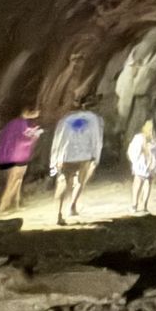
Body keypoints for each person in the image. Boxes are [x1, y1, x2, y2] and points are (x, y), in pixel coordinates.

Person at [48, 97, 104, 226]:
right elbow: (96, 139)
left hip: (66, 156)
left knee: (63, 182)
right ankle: (72, 207)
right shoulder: (94, 120)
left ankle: (59, 214)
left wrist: (55, 158)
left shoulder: (66, 119)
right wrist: (96, 156)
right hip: (84, 156)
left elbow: (58, 139)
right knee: (80, 181)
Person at [0, 105, 43, 217]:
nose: (37, 113)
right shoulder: (17, 123)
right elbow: (20, 140)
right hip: (13, 157)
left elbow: (21, 136)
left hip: (20, 156)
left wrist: (32, 133)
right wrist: (34, 136)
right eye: (34, 111)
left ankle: (15, 204)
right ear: (26, 111)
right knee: (11, 182)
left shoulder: (21, 123)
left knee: (18, 180)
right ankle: (1, 209)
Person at [126, 120, 156, 215]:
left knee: (137, 185)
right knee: (147, 184)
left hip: (141, 165)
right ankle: (144, 206)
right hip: (151, 165)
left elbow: (133, 152)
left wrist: (134, 160)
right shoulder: (155, 140)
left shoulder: (139, 138)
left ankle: (134, 206)